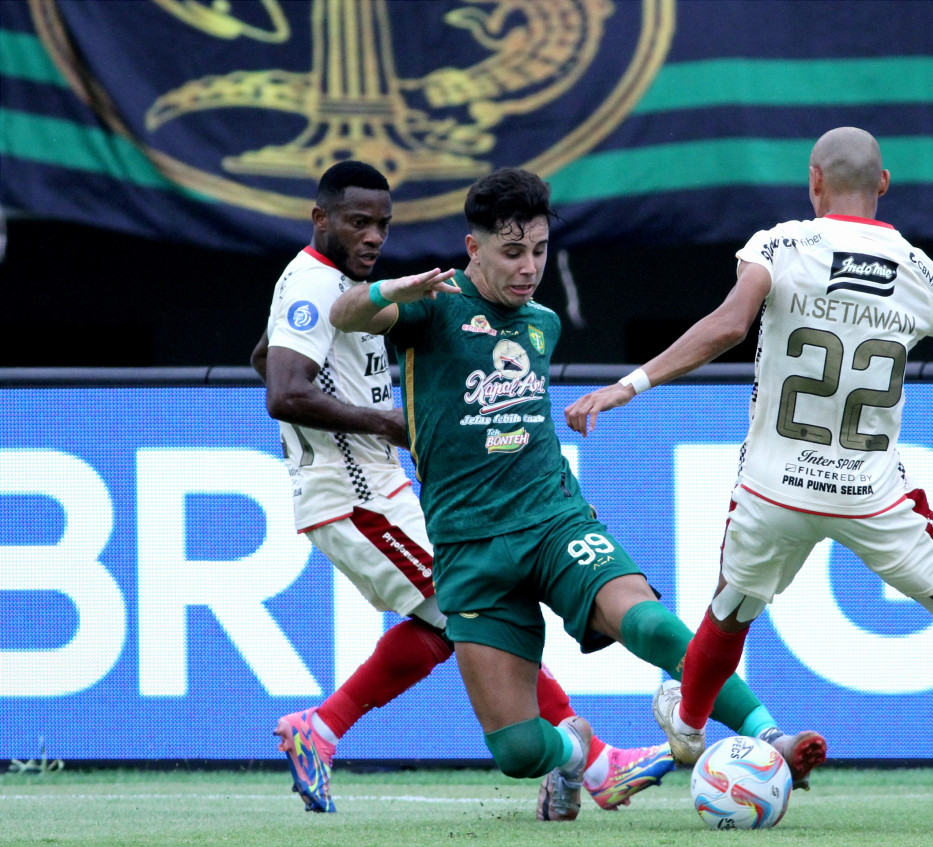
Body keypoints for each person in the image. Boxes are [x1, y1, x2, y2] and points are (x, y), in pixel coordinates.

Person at [565, 127, 933, 832]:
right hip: (869, 493)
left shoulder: (781, 245)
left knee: (730, 610)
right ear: (885, 184)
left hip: (772, 488)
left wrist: (627, 385)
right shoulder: (918, 269)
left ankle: (688, 727)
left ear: (814, 181)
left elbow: (727, 325)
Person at [328, 167, 828, 810]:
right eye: (512, 252)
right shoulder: (431, 305)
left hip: (553, 519)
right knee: (515, 751)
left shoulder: (541, 322)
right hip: (467, 545)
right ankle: (572, 755)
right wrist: (385, 290)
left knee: (646, 622)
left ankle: (770, 736)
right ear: (472, 247)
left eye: (538, 250)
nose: (529, 267)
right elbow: (345, 316)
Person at [254, 160, 674, 818]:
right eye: (357, 222)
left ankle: (324, 726)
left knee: (451, 621)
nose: (372, 236)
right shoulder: (312, 281)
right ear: (320, 219)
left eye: (382, 225)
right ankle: (592, 763)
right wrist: (392, 421)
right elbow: (282, 389)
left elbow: (267, 353)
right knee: (470, 610)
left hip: (377, 484)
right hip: (352, 487)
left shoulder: (339, 284)